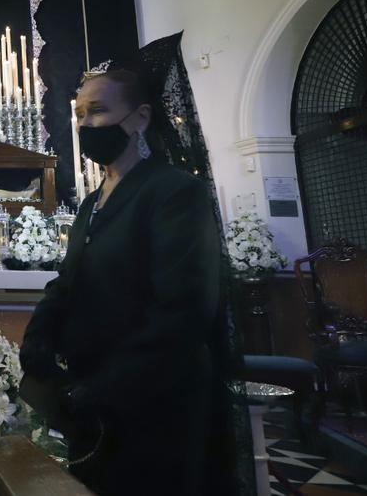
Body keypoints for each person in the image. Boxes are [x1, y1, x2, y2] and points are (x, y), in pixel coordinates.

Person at [18, 69, 223, 495]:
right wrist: (40, 333)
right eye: (78, 114)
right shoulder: (93, 203)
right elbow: (70, 280)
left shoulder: (174, 191)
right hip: (94, 407)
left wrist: (105, 386)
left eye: (97, 111)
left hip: (155, 403)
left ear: (141, 117)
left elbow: (184, 310)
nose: (84, 124)